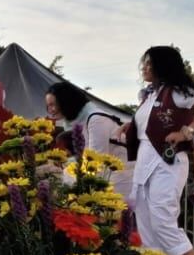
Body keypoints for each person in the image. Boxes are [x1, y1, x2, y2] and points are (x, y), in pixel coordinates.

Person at [117, 46, 194, 255]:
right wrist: (130, 126)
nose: (145, 68)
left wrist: (187, 131)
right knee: (146, 220)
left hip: (167, 161)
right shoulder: (149, 96)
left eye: (149, 64)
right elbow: (146, 126)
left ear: (162, 66)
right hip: (145, 160)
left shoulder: (178, 92)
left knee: (162, 216)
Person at [45, 80, 131, 208]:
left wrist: (63, 175)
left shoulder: (95, 120)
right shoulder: (79, 122)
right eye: (48, 106)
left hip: (119, 184)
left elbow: (95, 163)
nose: (50, 110)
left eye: (53, 105)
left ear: (66, 101)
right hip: (106, 182)